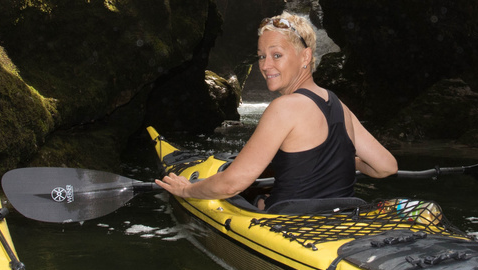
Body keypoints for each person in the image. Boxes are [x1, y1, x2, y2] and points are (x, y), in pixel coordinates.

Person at [154, 12, 397, 209]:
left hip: (290, 227)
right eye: (261, 56)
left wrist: (186, 190)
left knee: (256, 200)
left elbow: (233, 183)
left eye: (276, 55)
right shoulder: (338, 104)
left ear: (306, 57)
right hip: (340, 219)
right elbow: (386, 166)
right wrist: (345, 163)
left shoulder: (284, 107)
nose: (265, 65)